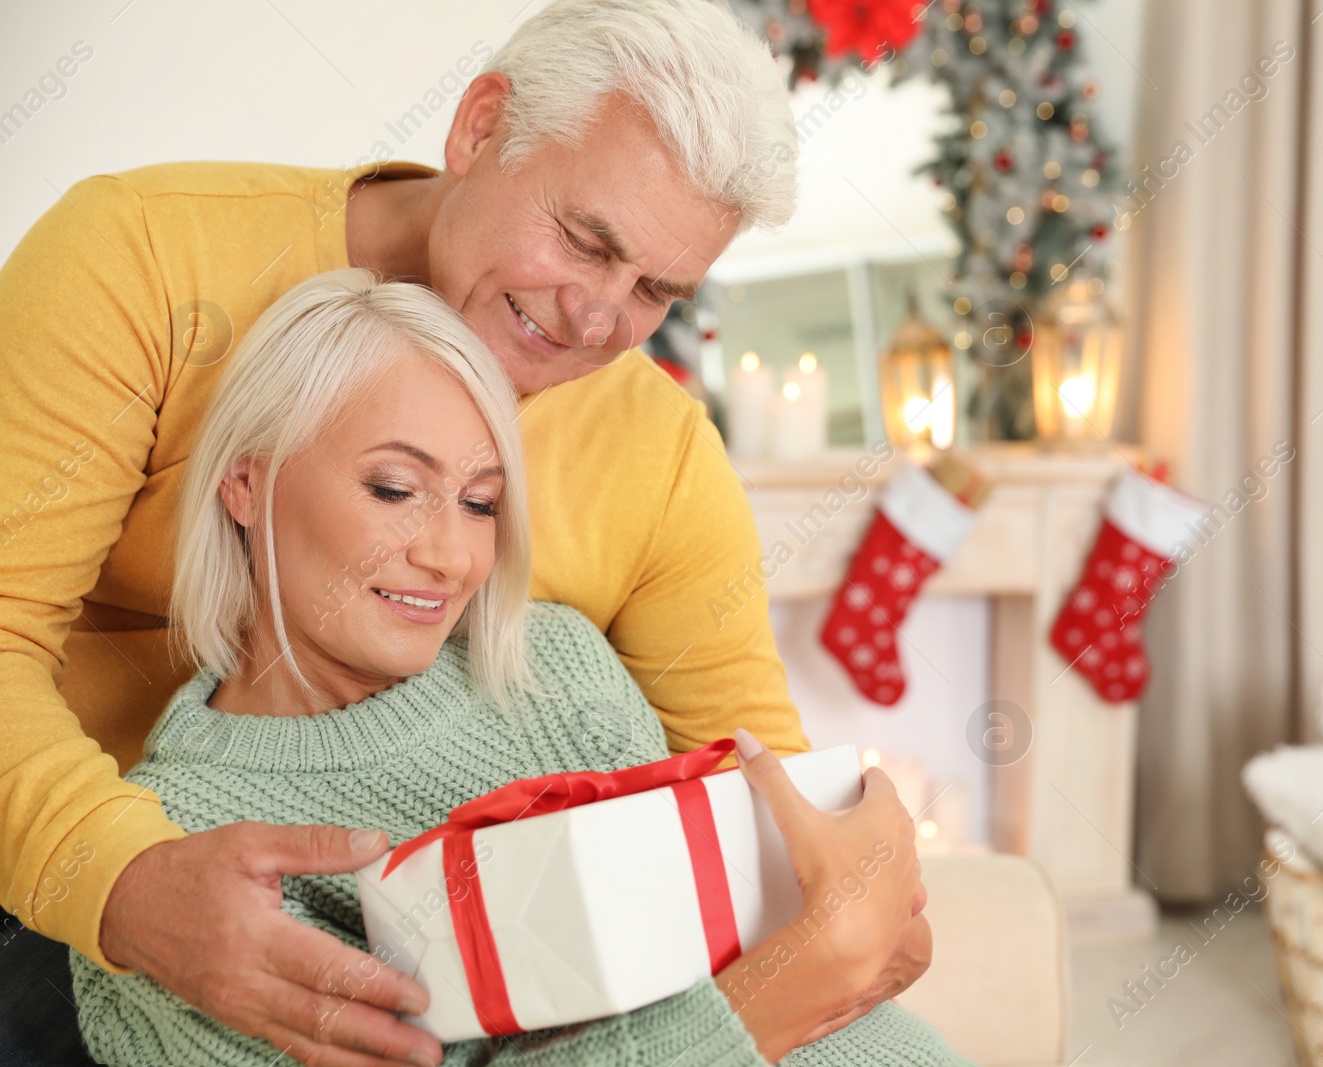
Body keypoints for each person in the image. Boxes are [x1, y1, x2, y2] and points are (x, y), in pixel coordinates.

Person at [0, 1, 821, 1062]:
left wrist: (852, 868)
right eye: (584, 239)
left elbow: (761, 783)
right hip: (62, 887)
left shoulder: (657, 450)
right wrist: (127, 883)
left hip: (453, 952)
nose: (593, 319)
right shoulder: (143, 254)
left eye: (655, 289)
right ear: (479, 127)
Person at [68, 268, 955, 1067]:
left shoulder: (557, 667)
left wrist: (869, 921)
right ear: (246, 482)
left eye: (481, 502)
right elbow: (774, 983)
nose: (453, 557)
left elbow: (734, 935)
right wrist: (800, 982)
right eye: (393, 489)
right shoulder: (175, 866)